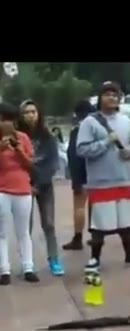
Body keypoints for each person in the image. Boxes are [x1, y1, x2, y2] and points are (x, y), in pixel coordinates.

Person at [76, 81, 130, 272]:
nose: (112, 98)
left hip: (124, 179)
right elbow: (82, 149)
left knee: (127, 221)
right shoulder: (89, 122)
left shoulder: (127, 122)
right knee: (100, 223)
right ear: (100, 98)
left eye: (115, 95)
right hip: (100, 183)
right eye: (107, 94)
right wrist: (106, 142)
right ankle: (95, 258)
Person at [17, 100, 64, 276]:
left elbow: (53, 164)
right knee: (25, 226)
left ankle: (54, 259)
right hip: (23, 186)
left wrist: (38, 184)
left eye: (33, 112)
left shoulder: (47, 136)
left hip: (44, 186)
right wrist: (27, 184)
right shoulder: (16, 136)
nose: (30, 115)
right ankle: (27, 263)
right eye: (26, 112)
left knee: (49, 224)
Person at [0, 103, 38, 284]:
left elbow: (30, 165)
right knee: (2, 232)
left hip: (22, 189)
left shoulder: (23, 138)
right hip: (2, 190)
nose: (6, 123)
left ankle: (28, 267)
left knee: (23, 231)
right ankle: (4, 269)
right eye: (3, 120)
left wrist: (18, 149)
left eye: (9, 120)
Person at [62, 100, 95, 251]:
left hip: (81, 173)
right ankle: (96, 235)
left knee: (79, 206)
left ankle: (78, 237)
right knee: (95, 206)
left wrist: (75, 178)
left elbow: (74, 154)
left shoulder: (78, 130)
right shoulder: (96, 128)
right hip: (96, 173)